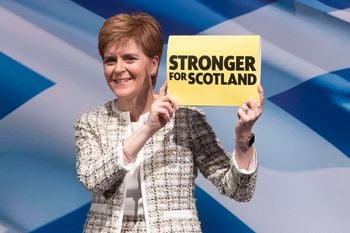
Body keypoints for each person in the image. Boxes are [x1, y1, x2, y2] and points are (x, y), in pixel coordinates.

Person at [74, 12, 264, 233]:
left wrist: (243, 139)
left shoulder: (185, 118)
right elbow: (92, 179)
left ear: (153, 65)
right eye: (110, 60)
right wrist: (148, 128)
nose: (118, 69)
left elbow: (238, 190)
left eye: (130, 58)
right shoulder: (91, 122)